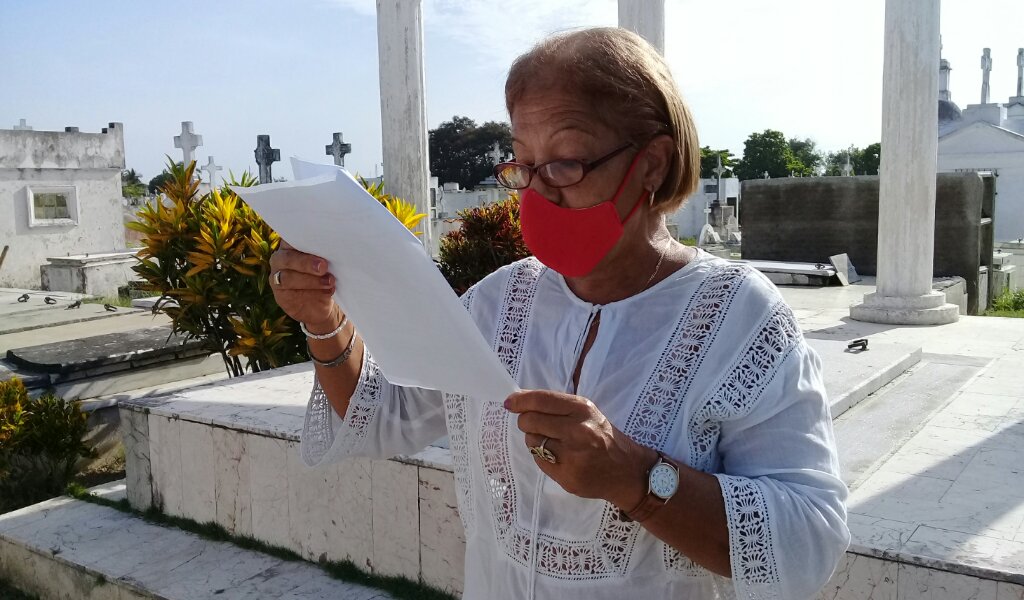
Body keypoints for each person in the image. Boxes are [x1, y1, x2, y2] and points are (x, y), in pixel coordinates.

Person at [269, 27, 849, 600]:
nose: (539, 194)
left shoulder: (737, 317)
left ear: (651, 163)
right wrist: (323, 319)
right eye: (524, 166)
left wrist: (637, 479)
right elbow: (384, 415)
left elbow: (809, 543)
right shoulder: (501, 302)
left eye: (567, 162)